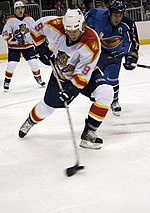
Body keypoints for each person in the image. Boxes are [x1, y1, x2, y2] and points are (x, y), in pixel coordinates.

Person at [18, 9, 113, 149]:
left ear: (82, 25)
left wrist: (73, 89)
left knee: (106, 92)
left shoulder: (91, 42)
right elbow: (35, 27)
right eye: (68, 31)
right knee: (47, 108)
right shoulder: (56, 24)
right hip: (61, 74)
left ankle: (89, 133)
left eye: (75, 30)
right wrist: (40, 46)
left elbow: (83, 73)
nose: (71, 34)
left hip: (86, 75)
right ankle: (30, 121)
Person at [85, 0, 139, 116]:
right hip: (98, 51)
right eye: (115, 15)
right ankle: (97, 93)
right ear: (110, 13)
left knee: (112, 76)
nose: (117, 18)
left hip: (116, 54)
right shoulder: (97, 16)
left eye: (120, 15)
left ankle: (114, 101)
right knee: (94, 74)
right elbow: (85, 23)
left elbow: (132, 42)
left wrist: (131, 57)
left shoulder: (127, 24)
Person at [2, 1, 45, 91]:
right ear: (15, 10)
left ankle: (38, 78)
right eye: (18, 8)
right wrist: (14, 37)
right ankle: (7, 81)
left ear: (24, 9)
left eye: (21, 8)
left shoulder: (29, 19)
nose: (20, 10)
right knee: (11, 65)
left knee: (34, 63)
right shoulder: (10, 20)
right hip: (14, 48)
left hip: (28, 47)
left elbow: (35, 31)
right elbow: (5, 34)